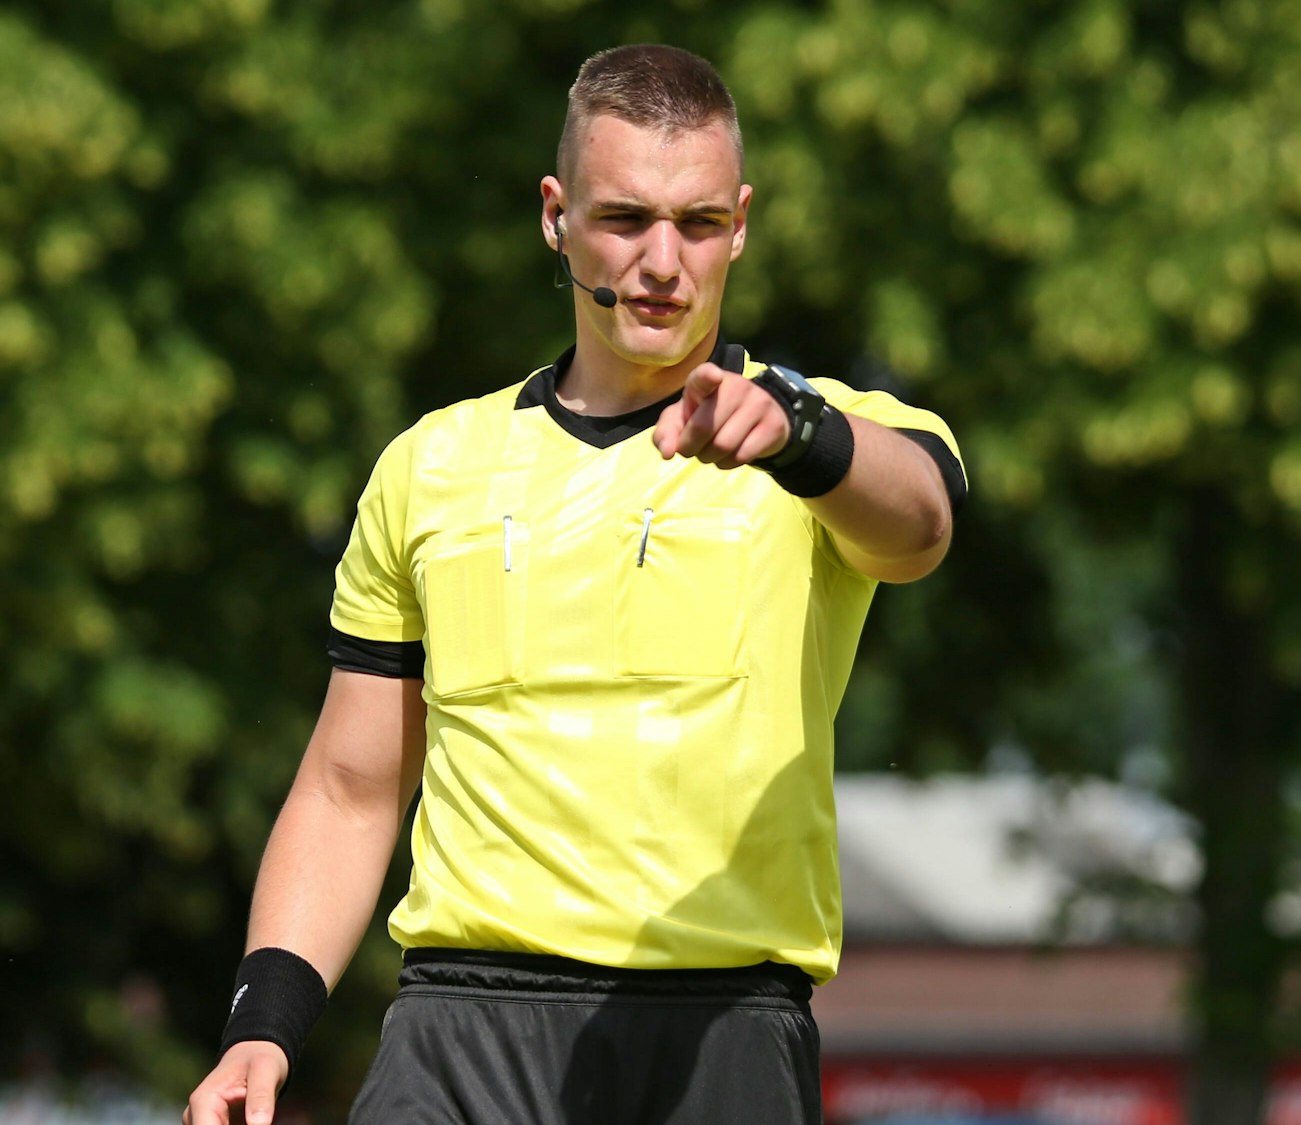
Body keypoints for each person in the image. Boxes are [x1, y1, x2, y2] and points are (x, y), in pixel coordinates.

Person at [183, 43, 965, 1125]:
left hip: (720, 1035)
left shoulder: (816, 436)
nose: (661, 261)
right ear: (554, 214)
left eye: (696, 225)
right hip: (460, 1029)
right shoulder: (430, 467)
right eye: (623, 219)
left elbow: (920, 525)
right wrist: (259, 1030)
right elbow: (349, 788)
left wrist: (802, 438)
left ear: (739, 223)